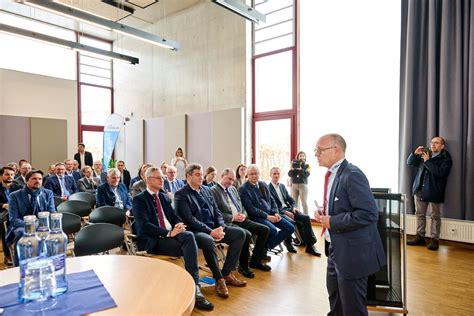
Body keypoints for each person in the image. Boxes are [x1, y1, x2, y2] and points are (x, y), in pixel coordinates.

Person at [314, 133, 386, 316]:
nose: (316, 154)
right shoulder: (333, 174)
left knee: (352, 307)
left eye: (320, 150)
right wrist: (325, 211)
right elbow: (342, 205)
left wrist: (332, 220)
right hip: (335, 249)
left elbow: (369, 213)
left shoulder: (352, 174)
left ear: (336, 149)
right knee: (336, 300)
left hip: (352, 253)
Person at [132, 167, 214, 311]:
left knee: (188, 236)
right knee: (189, 239)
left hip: (171, 233)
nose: (162, 180)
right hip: (154, 240)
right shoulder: (139, 199)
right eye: (158, 178)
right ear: (149, 180)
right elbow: (143, 226)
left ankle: (193, 286)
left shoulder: (163, 196)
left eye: (162, 178)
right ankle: (195, 288)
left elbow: (173, 216)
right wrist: (168, 233)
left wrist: (178, 224)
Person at [175, 163, 247, 299]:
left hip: (214, 227)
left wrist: (220, 226)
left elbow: (217, 211)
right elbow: (190, 220)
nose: (201, 177)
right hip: (195, 231)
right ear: (188, 176)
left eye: (202, 174)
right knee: (208, 241)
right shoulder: (181, 194)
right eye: (197, 174)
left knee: (240, 234)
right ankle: (219, 278)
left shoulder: (207, 190)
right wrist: (211, 232)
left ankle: (226, 273)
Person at [211, 168, 271, 274]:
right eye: (229, 179)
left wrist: (243, 214)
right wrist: (233, 218)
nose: (231, 182)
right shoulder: (213, 191)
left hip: (240, 219)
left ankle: (255, 261)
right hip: (228, 222)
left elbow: (240, 205)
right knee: (246, 234)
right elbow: (216, 212)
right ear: (222, 176)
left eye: (233, 180)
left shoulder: (233, 189)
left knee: (265, 230)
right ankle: (243, 267)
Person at [406, 136, 453, 251]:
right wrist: (414, 154)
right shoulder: (425, 153)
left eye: (436, 143)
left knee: (435, 216)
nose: (432, 145)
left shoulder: (446, 158)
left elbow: (440, 173)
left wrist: (428, 161)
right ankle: (420, 237)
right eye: (432, 142)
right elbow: (410, 163)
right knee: (419, 214)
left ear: (442, 146)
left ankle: (434, 240)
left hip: (434, 190)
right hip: (420, 189)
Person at [239, 164, 295, 253]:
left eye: (256, 173)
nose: (254, 176)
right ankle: (261, 251)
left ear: (259, 174)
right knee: (272, 230)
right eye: (251, 174)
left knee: (290, 227)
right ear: (247, 175)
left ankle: (264, 248)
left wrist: (275, 212)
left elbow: (272, 200)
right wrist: (267, 217)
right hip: (257, 217)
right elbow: (250, 209)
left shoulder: (263, 184)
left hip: (272, 213)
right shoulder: (243, 189)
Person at [6, 170, 55, 265]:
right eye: (34, 179)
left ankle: (48, 264)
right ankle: (19, 266)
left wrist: (41, 225)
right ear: (26, 181)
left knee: (53, 233)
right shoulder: (14, 195)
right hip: (22, 225)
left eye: (40, 179)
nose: (38, 181)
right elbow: (14, 219)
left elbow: (51, 213)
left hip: (43, 225)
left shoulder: (47, 193)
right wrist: (33, 225)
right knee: (21, 233)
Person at [268, 166, 321, 257]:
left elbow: (291, 200)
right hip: (279, 212)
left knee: (306, 218)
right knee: (290, 222)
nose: (276, 175)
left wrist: (293, 207)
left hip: (289, 209)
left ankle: (309, 245)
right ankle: (288, 243)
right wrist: (284, 212)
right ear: (270, 175)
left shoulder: (282, 186)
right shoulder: (268, 188)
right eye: (274, 173)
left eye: (278, 173)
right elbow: (272, 205)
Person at [0, 166, 22, 266]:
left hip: (17, 213)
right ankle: (7, 254)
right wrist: (3, 205)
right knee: (3, 225)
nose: (10, 177)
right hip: (2, 213)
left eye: (12, 175)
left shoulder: (18, 187)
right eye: (7, 174)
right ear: (1, 176)